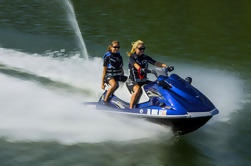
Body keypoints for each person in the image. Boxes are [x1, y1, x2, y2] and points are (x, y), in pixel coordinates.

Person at [128, 40, 169, 109]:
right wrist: (141, 69)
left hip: (143, 80)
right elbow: (135, 65)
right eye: (140, 49)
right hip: (133, 81)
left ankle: (163, 104)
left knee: (158, 85)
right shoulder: (132, 57)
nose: (142, 50)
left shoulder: (145, 57)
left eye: (143, 49)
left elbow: (156, 63)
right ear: (135, 49)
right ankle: (131, 108)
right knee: (137, 89)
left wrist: (166, 66)